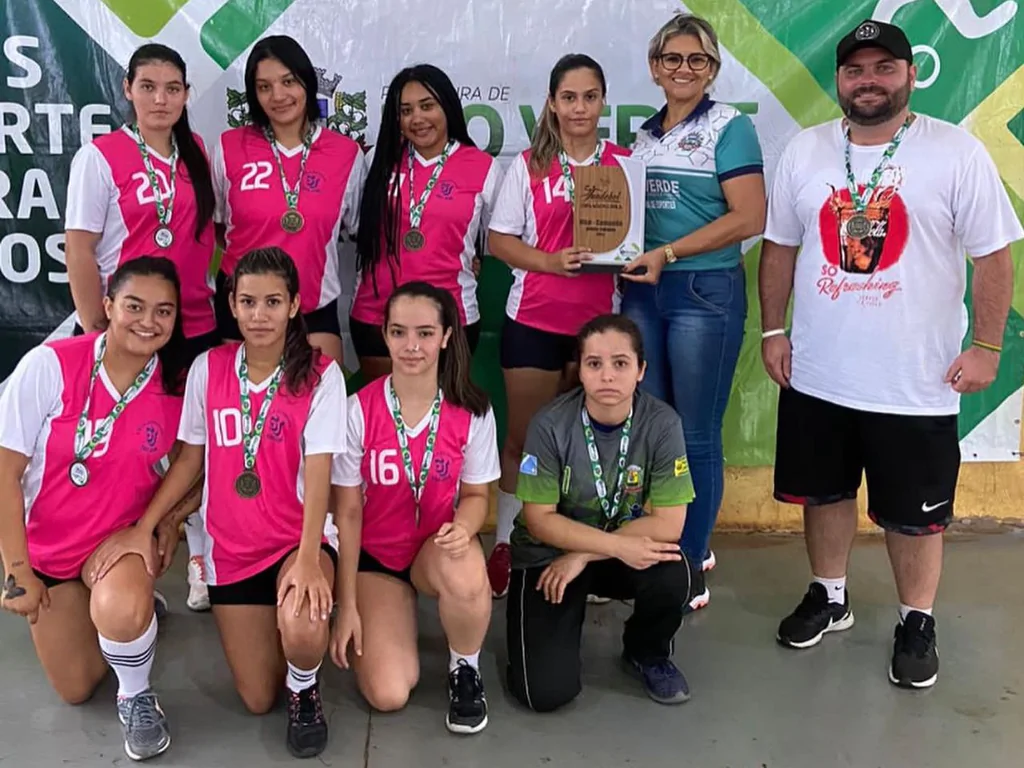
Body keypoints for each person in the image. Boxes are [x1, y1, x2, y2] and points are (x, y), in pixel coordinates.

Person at [759, 20, 1022, 689]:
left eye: (883, 68)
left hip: (916, 380)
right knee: (822, 494)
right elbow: (781, 247)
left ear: (910, 74)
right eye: (855, 70)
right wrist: (772, 330)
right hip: (819, 371)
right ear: (840, 80)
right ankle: (830, 594)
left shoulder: (955, 152)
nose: (868, 81)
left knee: (914, 513)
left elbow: (994, 256)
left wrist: (987, 346)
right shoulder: (807, 151)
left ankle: (916, 618)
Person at [143, 247, 347, 757]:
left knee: (301, 624)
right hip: (231, 551)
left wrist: (307, 559)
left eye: (273, 302)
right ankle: (290, 651)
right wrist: (151, 521)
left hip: (293, 542)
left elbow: (321, 474)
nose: (260, 315)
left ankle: (305, 688)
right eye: (249, 301)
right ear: (231, 304)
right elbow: (191, 460)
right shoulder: (208, 369)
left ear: (296, 305)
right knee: (257, 698)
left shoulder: (322, 375)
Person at [0, 257, 197, 762]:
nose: (148, 321)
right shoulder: (51, 365)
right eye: (134, 306)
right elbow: (5, 472)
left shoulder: (178, 387)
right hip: (48, 553)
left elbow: (201, 467)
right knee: (78, 686)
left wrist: (164, 524)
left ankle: (136, 691)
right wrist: (17, 572)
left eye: (163, 311)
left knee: (121, 612)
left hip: (119, 546)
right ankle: (127, 621)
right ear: (107, 305)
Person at [64, 43, 219, 614]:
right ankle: (129, 565)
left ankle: (200, 558)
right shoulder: (99, 157)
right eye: (148, 86)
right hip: (129, 331)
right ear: (127, 89)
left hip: (195, 323)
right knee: (133, 451)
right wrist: (96, 329)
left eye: (173, 88)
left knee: (193, 446)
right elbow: (79, 249)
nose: (161, 98)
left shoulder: (197, 152)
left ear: (185, 95)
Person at [622, 13, 766, 612]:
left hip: (703, 291)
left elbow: (748, 218)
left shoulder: (731, 128)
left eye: (697, 60)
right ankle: (651, 553)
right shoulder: (642, 135)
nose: (684, 69)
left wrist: (669, 252)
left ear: (712, 70)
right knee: (652, 430)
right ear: (655, 67)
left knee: (695, 433)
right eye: (672, 59)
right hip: (642, 293)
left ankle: (689, 561)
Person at [486, 53, 631, 599]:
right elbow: (500, 241)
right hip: (535, 320)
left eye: (589, 96)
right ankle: (506, 541)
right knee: (525, 439)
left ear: (602, 101)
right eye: (568, 97)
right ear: (551, 103)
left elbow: (634, 241)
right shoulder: (526, 165)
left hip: (600, 328)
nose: (579, 107)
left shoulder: (623, 164)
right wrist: (549, 261)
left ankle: (582, 547)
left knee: (590, 443)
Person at [329, 281, 499, 735]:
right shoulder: (355, 410)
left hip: (435, 550)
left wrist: (464, 528)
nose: (412, 346)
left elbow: (478, 496)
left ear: (446, 337)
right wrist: (346, 604)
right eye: (399, 332)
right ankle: (384, 612)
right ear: (383, 335)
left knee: (465, 567)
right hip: (378, 559)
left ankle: (466, 668)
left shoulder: (473, 411)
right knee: (389, 694)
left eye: (425, 333)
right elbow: (346, 513)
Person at [505, 314, 696, 711]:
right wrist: (587, 552)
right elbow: (539, 518)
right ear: (581, 369)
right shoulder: (550, 425)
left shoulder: (662, 424)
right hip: (549, 556)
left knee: (676, 572)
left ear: (641, 370)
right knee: (544, 694)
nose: (607, 375)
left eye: (620, 363)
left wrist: (587, 554)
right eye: (595, 364)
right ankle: (547, 637)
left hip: (604, 554)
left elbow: (669, 523)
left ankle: (647, 652)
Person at [211, 34, 366, 365]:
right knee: (242, 413)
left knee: (320, 411)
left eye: (288, 82)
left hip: (313, 306)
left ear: (307, 83)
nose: (278, 96)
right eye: (264, 86)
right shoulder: (228, 147)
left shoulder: (346, 154)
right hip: (243, 311)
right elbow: (218, 227)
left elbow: (359, 230)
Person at [350, 64, 503, 382]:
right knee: (385, 420)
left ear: (447, 105)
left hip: (451, 318)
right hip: (376, 313)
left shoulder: (482, 167)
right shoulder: (376, 160)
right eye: (406, 110)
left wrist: (469, 259)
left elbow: (497, 241)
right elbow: (355, 227)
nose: (417, 118)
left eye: (427, 106)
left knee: (440, 421)